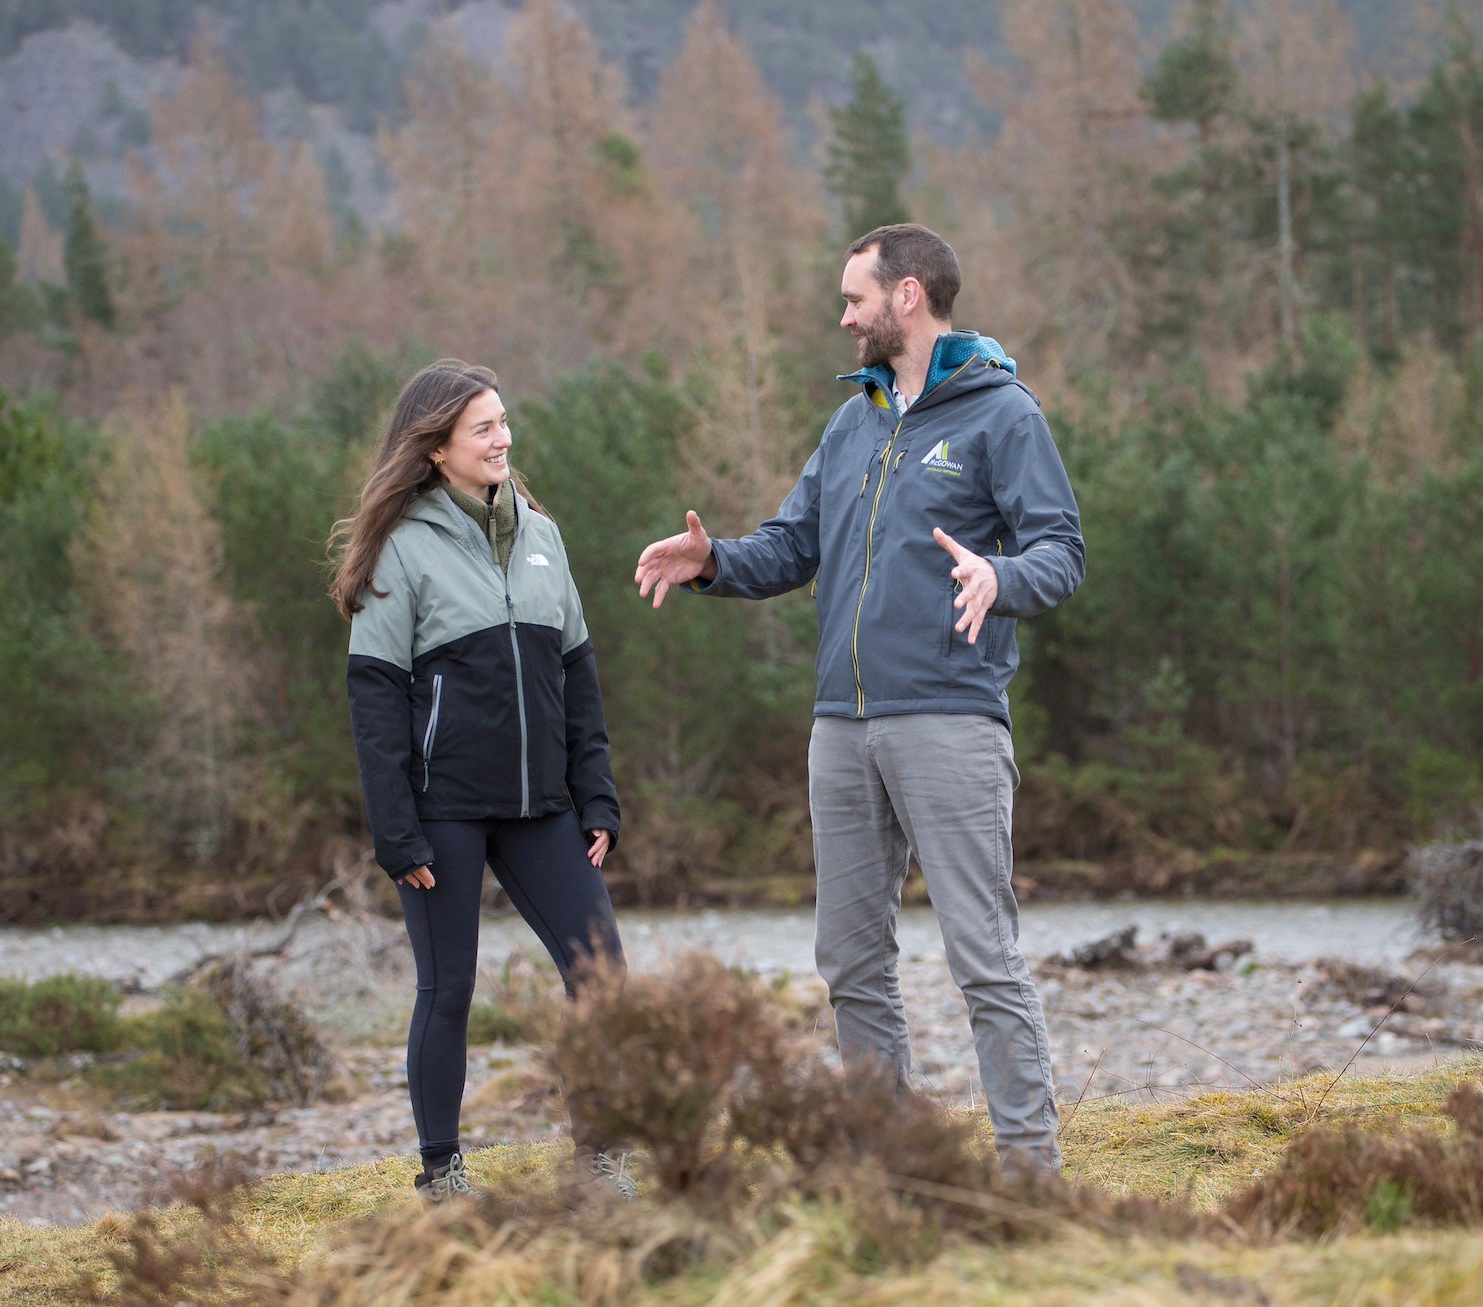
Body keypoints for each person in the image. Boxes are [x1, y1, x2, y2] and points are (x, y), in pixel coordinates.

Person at [633, 224, 1085, 1172]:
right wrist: (716, 560)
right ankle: (888, 1165)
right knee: (849, 962)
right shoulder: (856, 421)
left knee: (984, 957)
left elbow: (1062, 552)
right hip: (841, 729)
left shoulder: (1004, 417)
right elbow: (794, 545)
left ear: (907, 296)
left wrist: (1002, 577)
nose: (844, 318)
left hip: (950, 719)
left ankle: (1031, 1172)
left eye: (855, 299)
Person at [330, 359, 635, 1202]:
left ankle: (602, 1159)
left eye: (504, 422)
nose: (503, 439)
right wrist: (397, 829)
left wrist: (596, 793)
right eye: (484, 428)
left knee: (601, 970)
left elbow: (578, 677)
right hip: (445, 813)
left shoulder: (543, 535)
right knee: (449, 987)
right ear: (437, 449)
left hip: (544, 807)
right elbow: (375, 700)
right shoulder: (404, 549)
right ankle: (443, 1172)